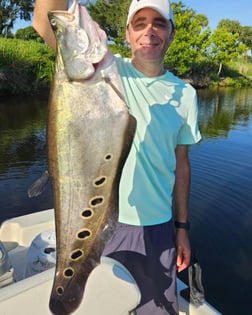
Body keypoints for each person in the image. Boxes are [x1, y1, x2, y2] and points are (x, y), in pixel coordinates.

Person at [33, 0, 201, 314]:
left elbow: (182, 166)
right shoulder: (107, 71)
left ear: (171, 35)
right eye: (140, 23)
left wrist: (182, 228)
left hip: (160, 228)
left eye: (159, 23)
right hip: (104, 226)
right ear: (126, 33)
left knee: (158, 309)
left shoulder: (187, 95)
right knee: (102, 305)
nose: (149, 30)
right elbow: (46, 23)